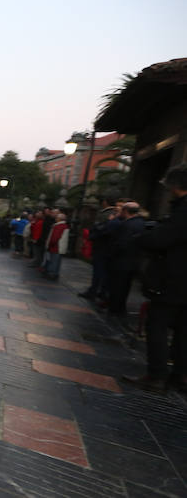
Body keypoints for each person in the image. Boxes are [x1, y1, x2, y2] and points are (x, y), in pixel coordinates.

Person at [124, 164, 187, 393]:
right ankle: (181, 376)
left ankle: (157, 375)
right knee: (183, 330)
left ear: (176, 186)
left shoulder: (182, 211)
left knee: (157, 325)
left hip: (173, 280)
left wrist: (143, 238)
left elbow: (161, 240)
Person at [106, 202, 145, 317]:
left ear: (126, 211)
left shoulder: (127, 225)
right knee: (125, 287)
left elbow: (121, 244)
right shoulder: (140, 223)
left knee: (117, 286)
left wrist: (112, 254)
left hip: (121, 261)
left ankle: (114, 308)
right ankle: (120, 308)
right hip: (133, 261)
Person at [78, 198, 118, 302]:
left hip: (102, 247)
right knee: (101, 272)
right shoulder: (112, 214)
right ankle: (97, 291)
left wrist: (92, 235)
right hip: (105, 248)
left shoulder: (107, 214)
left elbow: (99, 229)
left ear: (105, 202)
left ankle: (95, 291)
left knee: (99, 272)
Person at [43, 212, 70, 281]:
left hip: (55, 247)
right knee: (57, 261)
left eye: (57, 217)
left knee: (54, 261)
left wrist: (50, 244)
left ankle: (52, 274)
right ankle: (55, 274)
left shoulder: (58, 226)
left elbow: (55, 237)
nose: (56, 218)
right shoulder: (64, 226)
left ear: (60, 219)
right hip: (59, 247)